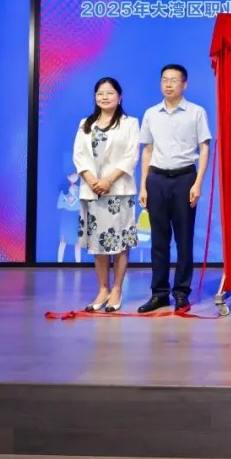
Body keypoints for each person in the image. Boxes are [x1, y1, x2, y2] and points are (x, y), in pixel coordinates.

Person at [137, 64, 212, 314]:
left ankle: (181, 293)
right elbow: (147, 150)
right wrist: (143, 185)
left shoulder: (196, 112)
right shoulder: (151, 114)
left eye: (173, 80)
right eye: (164, 80)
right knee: (159, 240)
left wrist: (198, 182)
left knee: (184, 239)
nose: (168, 84)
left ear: (184, 84)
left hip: (184, 178)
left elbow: (204, 148)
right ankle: (159, 294)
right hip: (156, 179)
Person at [73, 77, 140, 313]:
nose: (104, 97)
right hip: (92, 191)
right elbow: (79, 155)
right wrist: (92, 180)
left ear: (119, 97)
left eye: (110, 93)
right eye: (100, 93)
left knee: (119, 243)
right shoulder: (85, 124)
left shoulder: (130, 123)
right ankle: (103, 289)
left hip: (118, 191)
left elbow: (131, 156)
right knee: (97, 244)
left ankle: (117, 289)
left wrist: (108, 180)